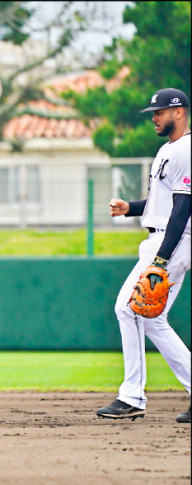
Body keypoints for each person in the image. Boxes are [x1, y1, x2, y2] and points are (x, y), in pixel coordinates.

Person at [96, 88, 191, 424]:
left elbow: (183, 209)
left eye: (160, 112)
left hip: (173, 241)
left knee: (128, 308)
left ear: (178, 113)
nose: (154, 117)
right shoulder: (168, 149)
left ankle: (132, 397)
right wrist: (130, 208)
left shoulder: (187, 149)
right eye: (153, 112)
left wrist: (163, 260)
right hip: (162, 238)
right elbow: (161, 204)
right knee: (151, 319)